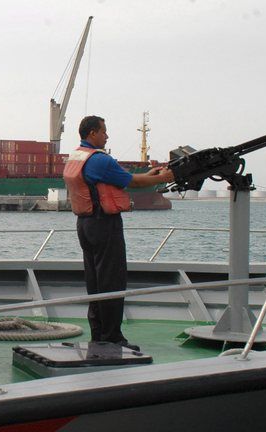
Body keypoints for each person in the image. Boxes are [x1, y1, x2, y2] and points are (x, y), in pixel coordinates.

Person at [63, 115, 173, 350]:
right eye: (104, 131)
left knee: (94, 281)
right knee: (112, 280)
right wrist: (162, 178)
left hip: (85, 224)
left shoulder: (77, 156)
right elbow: (131, 181)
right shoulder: (100, 160)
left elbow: (122, 178)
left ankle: (98, 335)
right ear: (92, 133)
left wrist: (150, 174)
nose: (107, 136)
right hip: (105, 224)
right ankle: (112, 338)